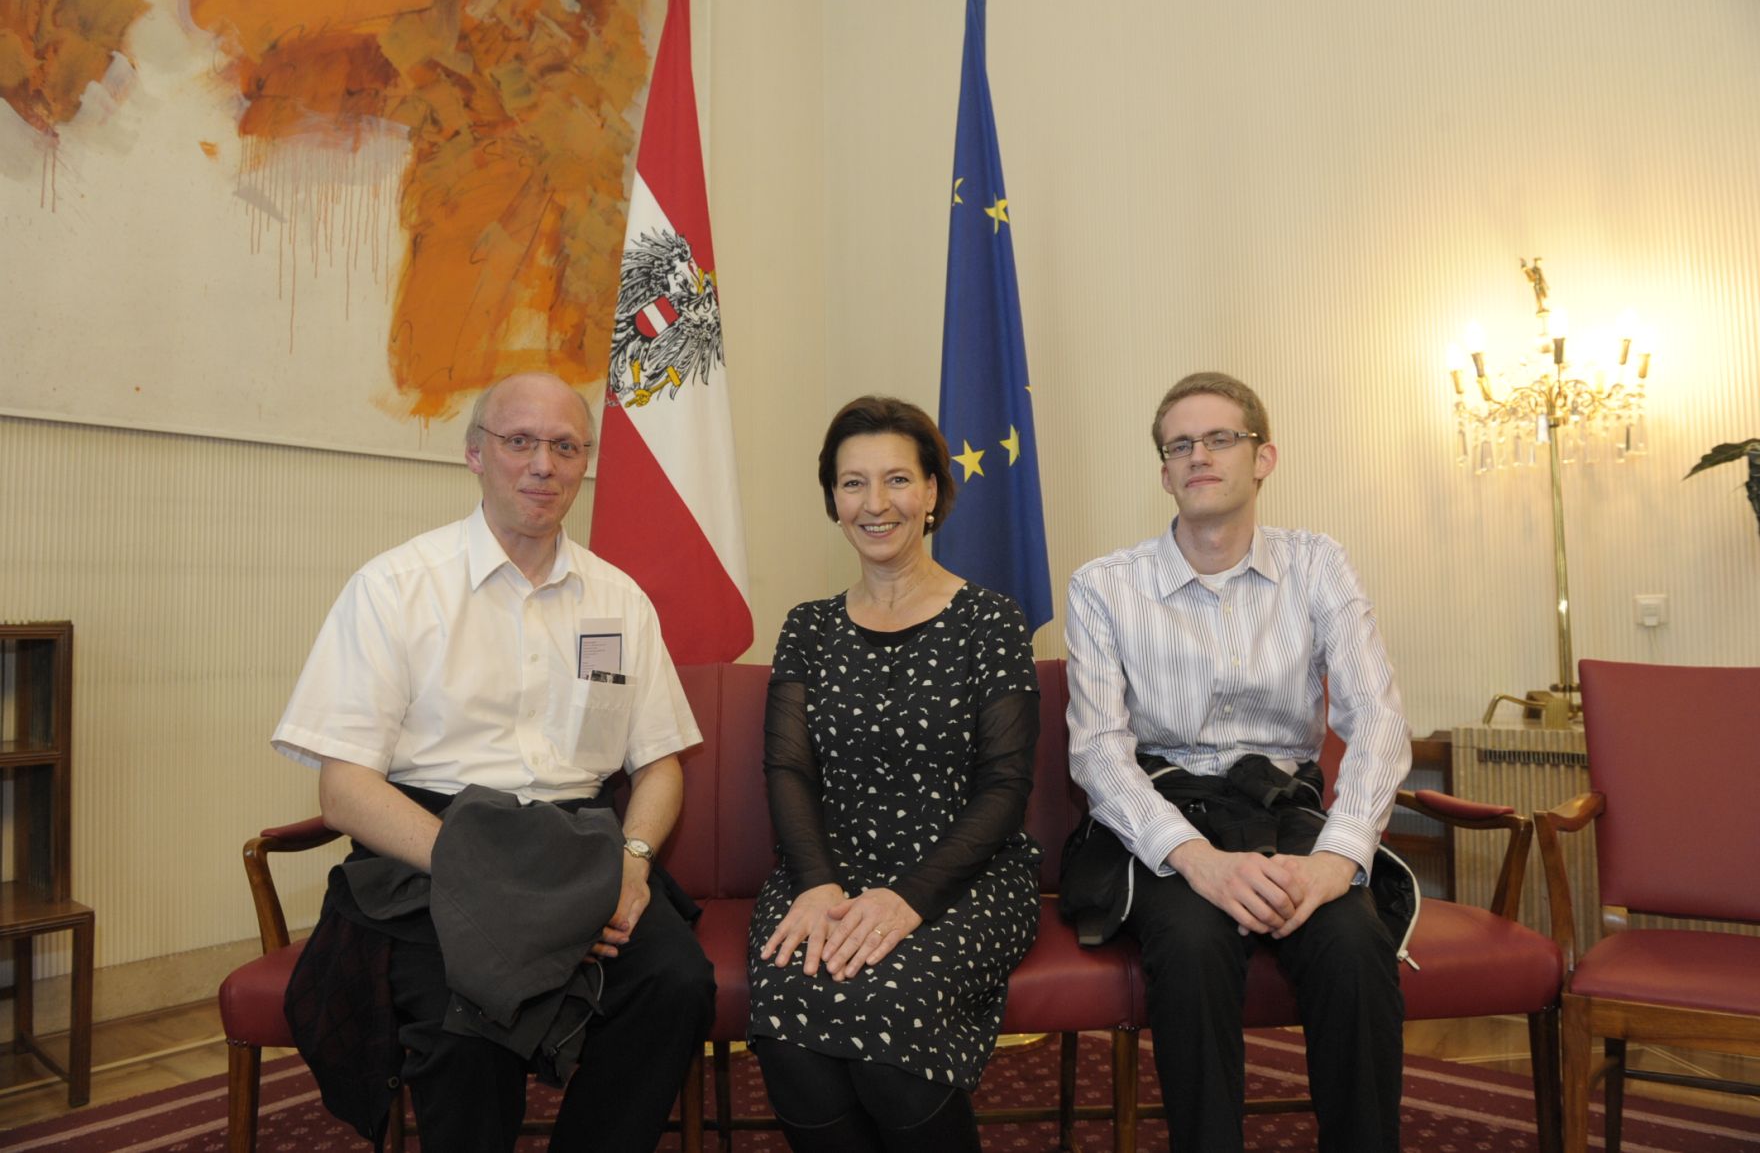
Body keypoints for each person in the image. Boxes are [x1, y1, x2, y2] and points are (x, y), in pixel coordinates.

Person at [271, 371, 714, 1153]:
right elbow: (344, 789)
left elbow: (659, 764)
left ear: (585, 463)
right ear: (475, 453)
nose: (543, 463)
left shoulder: (620, 601)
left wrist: (635, 860)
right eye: (519, 441)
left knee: (674, 982)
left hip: (578, 849)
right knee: (466, 1026)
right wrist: (489, 876)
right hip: (434, 850)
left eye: (565, 446)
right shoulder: (394, 588)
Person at [1065, 372, 1411, 1153]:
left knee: (1354, 943)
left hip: (1286, 810)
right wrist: (1198, 861)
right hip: (1168, 814)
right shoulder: (1103, 586)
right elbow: (1097, 750)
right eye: (1180, 445)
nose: (1199, 455)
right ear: (1164, 472)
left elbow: (1379, 719)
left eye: (1220, 438)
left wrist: (1337, 860)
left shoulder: (1318, 564)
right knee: (1192, 943)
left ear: (1264, 458)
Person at [746, 396, 1042, 1152]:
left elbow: (1006, 787)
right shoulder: (807, 626)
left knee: (891, 1025)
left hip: (963, 876)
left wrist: (910, 898)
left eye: (897, 479)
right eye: (853, 483)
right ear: (833, 499)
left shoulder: (992, 621)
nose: (875, 503)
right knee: (787, 1022)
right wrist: (817, 883)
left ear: (933, 491)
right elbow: (788, 768)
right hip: (826, 870)